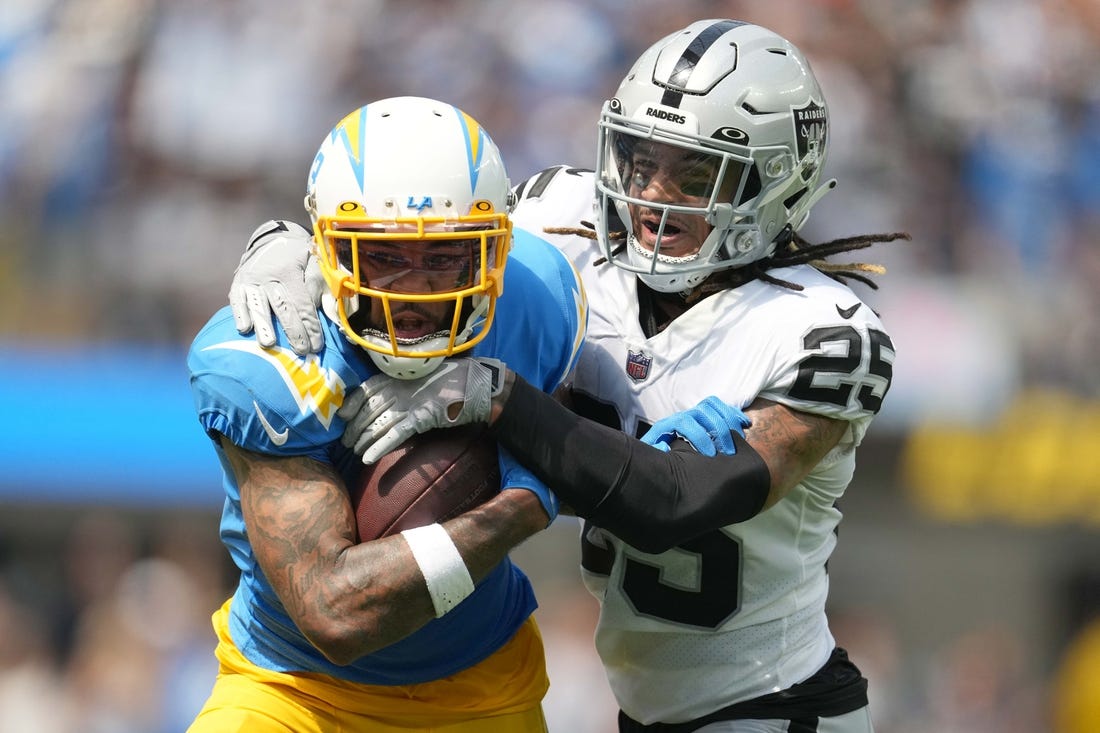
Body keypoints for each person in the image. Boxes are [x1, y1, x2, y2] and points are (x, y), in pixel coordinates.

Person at [229, 20, 910, 733]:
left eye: (696, 174)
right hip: (646, 711)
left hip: (777, 707)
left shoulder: (825, 334)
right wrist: (291, 245)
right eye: (641, 160)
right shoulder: (559, 223)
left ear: (777, 183)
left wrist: (499, 398)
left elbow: (677, 500)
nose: (652, 195)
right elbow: (423, 242)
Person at [186, 95, 587, 732]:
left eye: (444, 257)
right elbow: (336, 617)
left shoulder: (537, 300)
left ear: (495, 252)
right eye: (385, 254)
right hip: (294, 688)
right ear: (327, 248)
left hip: (482, 684)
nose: (415, 289)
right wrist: (527, 498)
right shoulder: (273, 356)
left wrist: (531, 422)